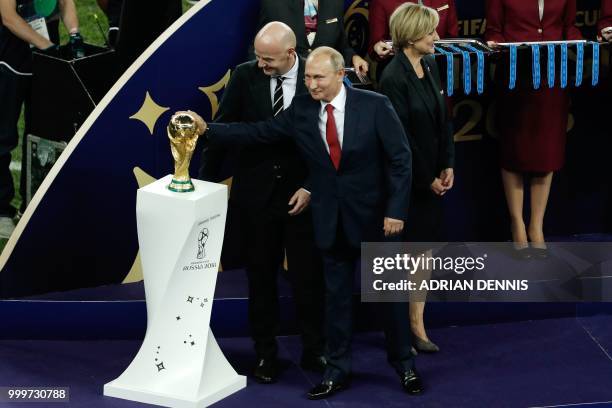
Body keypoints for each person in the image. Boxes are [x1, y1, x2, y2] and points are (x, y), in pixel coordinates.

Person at [186, 46, 422, 398]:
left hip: (377, 219)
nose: (310, 84)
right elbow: (260, 132)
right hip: (331, 221)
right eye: (308, 77)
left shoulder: (375, 106)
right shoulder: (302, 109)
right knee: (337, 301)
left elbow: (401, 159)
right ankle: (337, 370)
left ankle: (405, 366)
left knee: (389, 298)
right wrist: (209, 130)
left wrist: (396, 211)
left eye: (318, 78)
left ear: (340, 75)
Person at [199, 22, 326, 384]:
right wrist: (203, 184)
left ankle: (315, 350)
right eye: (257, 56)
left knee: (309, 280)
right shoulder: (244, 76)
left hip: (304, 196)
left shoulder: (316, 77)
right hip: (256, 198)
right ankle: (265, 355)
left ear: (291, 54)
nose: (261, 64)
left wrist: (311, 186)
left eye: (268, 58)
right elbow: (224, 130)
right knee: (261, 281)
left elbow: (332, 142)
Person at [378, 2, 454, 353]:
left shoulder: (431, 64)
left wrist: (448, 164)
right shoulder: (392, 77)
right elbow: (402, 138)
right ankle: (402, 328)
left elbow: (444, 120)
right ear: (410, 37)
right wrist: (427, 179)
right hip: (407, 182)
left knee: (423, 253)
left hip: (433, 179)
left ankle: (417, 321)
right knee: (404, 256)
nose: (437, 37)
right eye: (430, 32)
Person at [485, 0, 582, 255]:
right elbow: (494, 30)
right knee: (514, 150)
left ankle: (536, 226)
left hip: (552, 76)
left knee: (547, 150)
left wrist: (577, 39)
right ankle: (517, 224)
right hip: (516, 75)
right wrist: (495, 43)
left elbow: (568, 26)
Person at [0, 0, 80, 238]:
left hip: (45, 59)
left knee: (43, 134)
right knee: (3, 136)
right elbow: (8, 16)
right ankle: (2, 210)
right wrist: (45, 44)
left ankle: (33, 206)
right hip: (9, 58)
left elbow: (65, 3)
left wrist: (74, 33)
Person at [252, 0, 369, 75]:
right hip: (288, 77)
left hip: (325, 78)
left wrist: (353, 57)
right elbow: (259, 44)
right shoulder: (274, 4)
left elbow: (341, 42)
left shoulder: (335, 3)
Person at [368, 0, 458, 62]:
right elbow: (375, 46)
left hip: (438, 73)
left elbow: (453, 36)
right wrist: (378, 48)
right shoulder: (381, 2)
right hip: (399, 73)